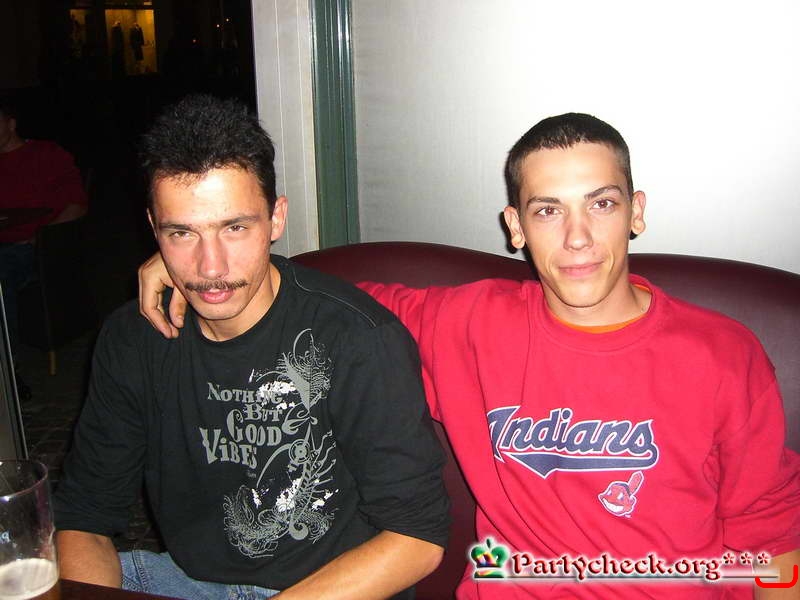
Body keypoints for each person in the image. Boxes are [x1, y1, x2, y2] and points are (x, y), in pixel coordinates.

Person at [139, 113, 800, 599]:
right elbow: (317, 301)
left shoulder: (721, 354)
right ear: (515, 227)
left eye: (601, 203)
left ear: (636, 212)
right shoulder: (471, 323)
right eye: (547, 211)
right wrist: (200, 267)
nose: (577, 237)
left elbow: (774, 538)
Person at [54, 94, 449, 600]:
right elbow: (84, 514)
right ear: (153, 229)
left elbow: (417, 537)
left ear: (276, 218)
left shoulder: (355, 338)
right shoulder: (136, 337)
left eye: (234, 228)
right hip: (193, 582)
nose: (211, 267)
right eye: (182, 233)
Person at [0, 98, 88, 351]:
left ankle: (7, 362)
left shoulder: (45, 154)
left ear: (11, 124)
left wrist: (42, 238)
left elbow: (77, 206)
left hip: (35, 249)